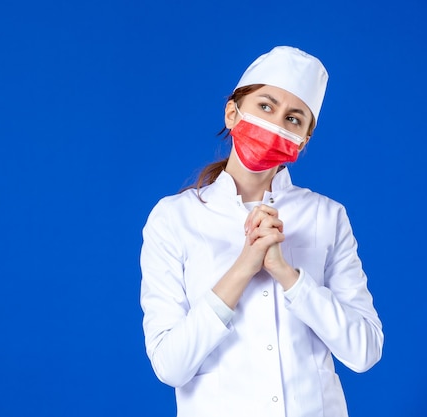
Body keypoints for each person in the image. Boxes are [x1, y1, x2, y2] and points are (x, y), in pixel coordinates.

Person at [139, 46, 384, 417]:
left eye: (294, 119)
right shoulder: (174, 219)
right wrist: (244, 266)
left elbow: (364, 351)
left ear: (302, 141)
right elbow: (170, 366)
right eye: (266, 107)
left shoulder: (326, 216)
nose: (276, 125)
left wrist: (289, 276)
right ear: (232, 112)